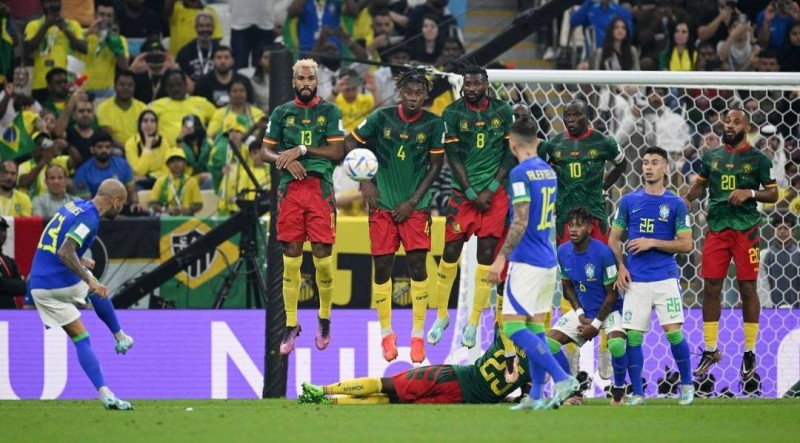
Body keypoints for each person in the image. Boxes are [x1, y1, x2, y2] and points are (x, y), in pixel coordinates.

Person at [344, 69, 444, 363]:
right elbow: (350, 142)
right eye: (409, 93)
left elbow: (436, 166)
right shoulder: (382, 117)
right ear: (400, 93)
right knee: (382, 267)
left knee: (417, 267)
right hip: (383, 205)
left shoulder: (433, 124)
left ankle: (417, 336)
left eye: (419, 94)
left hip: (415, 207)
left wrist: (413, 202)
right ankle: (387, 334)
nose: (413, 99)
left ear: (426, 95)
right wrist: (365, 181)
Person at [486, 117, 579, 411]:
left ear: (512, 143)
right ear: (537, 141)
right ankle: (537, 393)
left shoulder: (520, 173)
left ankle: (563, 377)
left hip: (526, 262)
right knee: (535, 328)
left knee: (513, 329)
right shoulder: (548, 171)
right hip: (548, 260)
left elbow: (521, 220)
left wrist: (500, 257)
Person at [683, 108, 778, 380]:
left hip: (746, 229)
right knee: (711, 285)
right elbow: (700, 187)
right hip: (717, 227)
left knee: (747, 286)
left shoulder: (759, 159)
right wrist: (687, 199)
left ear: (747, 128)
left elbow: (773, 193)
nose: (730, 125)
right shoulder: (711, 156)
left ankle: (749, 352)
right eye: (727, 121)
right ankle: (711, 349)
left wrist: (749, 192)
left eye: (736, 122)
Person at [426, 65, 514, 351]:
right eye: (468, 84)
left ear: (486, 84)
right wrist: (472, 192)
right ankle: (441, 316)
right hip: (463, 194)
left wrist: (490, 189)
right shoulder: (452, 113)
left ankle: (474, 323)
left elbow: (507, 155)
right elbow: (454, 157)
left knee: (485, 255)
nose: (471, 89)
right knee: (450, 252)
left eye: (477, 84)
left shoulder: (503, 111)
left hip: (494, 195)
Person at [261, 59, 345, 355]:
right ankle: (292, 323)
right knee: (291, 258)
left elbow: (338, 151)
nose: (306, 82)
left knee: (322, 257)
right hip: (291, 191)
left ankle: (324, 317)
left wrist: (304, 150)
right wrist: (285, 158)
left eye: (311, 78)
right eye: (301, 78)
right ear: (293, 82)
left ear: (317, 82)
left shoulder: (329, 111)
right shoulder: (282, 113)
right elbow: (265, 151)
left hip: (320, 189)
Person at [537, 99, 627, 375]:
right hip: (565, 219)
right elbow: (540, 170)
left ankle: (605, 349)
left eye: (576, 114)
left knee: (604, 280)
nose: (571, 119)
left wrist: (604, 187)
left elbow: (622, 164)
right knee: (570, 278)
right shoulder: (553, 145)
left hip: (595, 218)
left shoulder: (603, 142)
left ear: (587, 116)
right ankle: (572, 351)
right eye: (567, 114)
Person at [28, 179, 134, 410]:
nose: (122, 208)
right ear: (115, 202)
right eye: (123, 204)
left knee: (81, 339)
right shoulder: (90, 218)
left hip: (38, 286)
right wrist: (88, 279)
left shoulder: (73, 205)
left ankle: (105, 394)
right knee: (97, 288)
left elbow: (54, 241)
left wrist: (81, 260)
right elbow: (65, 251)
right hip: (57, 279)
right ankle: (120, 337)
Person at [608, 146, 695, 406]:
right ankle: (637, 393)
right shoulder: (628, 201)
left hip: (665, 278)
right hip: (635, 280)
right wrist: (621, 266)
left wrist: (651, 242)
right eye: (645, 162)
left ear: (665, 167)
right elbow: (613, 239)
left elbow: (686, 244)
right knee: (633, 337)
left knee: (673, 333)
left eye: (655, 162)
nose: (648, 167)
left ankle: (688, 386)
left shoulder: (676, 204)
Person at [298, 327, 531, 405]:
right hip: (462, 398)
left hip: (453, 377)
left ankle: (323, 392)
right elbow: (526, 395)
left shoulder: (506, 332)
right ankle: (324, 398)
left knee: (388, 386)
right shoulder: (536, 366)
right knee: (392, 400)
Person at [548, 206, 627, 406]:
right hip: (585, 311)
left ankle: (618, 392)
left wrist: (596, 324)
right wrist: (581, 313)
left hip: (610, 311)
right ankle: (571, 391)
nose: (573, 230)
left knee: (617, 345)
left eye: (579, 225)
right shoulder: (563, 251)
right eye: (570, 225)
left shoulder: (603, 253)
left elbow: (612, 294)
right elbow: (568, 287)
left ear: (590, 228)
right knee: (549, 342)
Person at [23, 0, 87, 100]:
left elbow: (84, 48)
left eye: (56, 1)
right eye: (49, 2)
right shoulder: (33, 25)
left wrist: (65, 29)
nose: (53, 5)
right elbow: (28, 49)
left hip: (68, 82)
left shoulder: (73, 25)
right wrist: (45, 26)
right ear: (43, 4)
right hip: (41, 83)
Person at [73, 131, 141, 215]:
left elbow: (132, 191)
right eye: (100, 147)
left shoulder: (123, 165)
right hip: (96, 213)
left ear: (112, 149)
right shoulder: (82, 173)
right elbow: (87, 204)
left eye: (107, 147)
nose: (104, 150)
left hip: (121, 209)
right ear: (92, 149)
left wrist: (135, 202)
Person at [149, 70, 216, 144]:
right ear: (166, 88)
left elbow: (220, 118)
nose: (176, 89)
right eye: (171, 86)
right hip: (167, 152)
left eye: (179, 85)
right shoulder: (155, 106)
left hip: (197, 151)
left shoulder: (202, 102)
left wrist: (210, 135)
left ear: (185, 84)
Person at [81, 0, 129, 100]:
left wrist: (117, 49)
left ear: (113, 18)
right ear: (95, 15)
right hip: (83, 88)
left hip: (107, 91)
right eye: (102, 14)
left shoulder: (119, 39)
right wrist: (88, 33)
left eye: (109, 15)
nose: (105, 18)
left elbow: (124, 66)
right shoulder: (83, 34)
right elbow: (69, 47)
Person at [97, 70, 147, 149]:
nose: (126, 88)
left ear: (134, 87)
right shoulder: (104, 107)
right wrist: (127, 148)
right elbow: (108, 136)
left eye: (130, 85)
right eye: (122, 85)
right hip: (115, 148)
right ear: (115, 86)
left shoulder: (143, 108)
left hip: (139, 147)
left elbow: (147, 134)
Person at [124, 109, 172, 189]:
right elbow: (138, 171)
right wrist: (147, 146)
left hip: (160, 180)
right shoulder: (131, 143)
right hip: (140, 183)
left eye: (152, 121)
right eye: (145, 121)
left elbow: (167, 168)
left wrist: (149, 177)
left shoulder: (163, 142)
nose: (149, 124)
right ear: (139, 124)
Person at [148, 148, 203, 216]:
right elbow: (152, 203)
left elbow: (199, 204)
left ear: (185, 163)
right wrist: (165, 210)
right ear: (167, 165)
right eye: (172, 161)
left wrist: (189, 209)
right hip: (166, 217)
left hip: (186, 218)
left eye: (179, 160)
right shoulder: (160, 181)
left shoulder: (191, 181)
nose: (176, 164)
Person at [762, 213, 800, 307]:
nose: (782, 231)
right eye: (779, 228)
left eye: (786, 228)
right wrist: (767, 307)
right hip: (772, 310)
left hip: (797, 309)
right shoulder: (764, 255)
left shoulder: (798, 254)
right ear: (773, 231)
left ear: (793, 231)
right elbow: (762, 285)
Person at [228, 0, 276, 71]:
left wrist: (278, 19)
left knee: (263, 66)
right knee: (239, 66)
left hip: (265, 22)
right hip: (239, 21)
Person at [175, 12, 220, 84]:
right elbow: (180, 76)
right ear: (196, 28)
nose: (205, 29)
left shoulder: (220, 50)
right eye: (201, 26)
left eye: (208, 26)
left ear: (213, 28)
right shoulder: (185, 51)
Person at [0, 217, 25, 309]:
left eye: (3, 230)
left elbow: (22, 288)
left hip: (9, 315)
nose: (1, 234)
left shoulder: (9, 261)